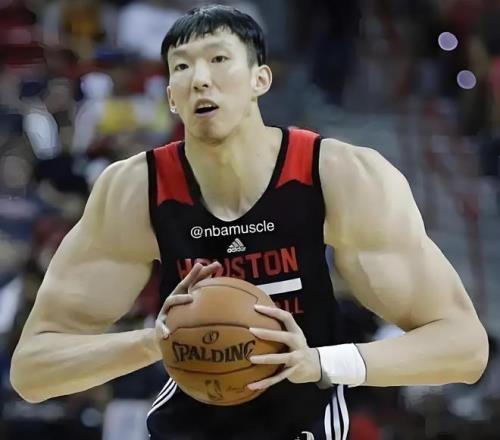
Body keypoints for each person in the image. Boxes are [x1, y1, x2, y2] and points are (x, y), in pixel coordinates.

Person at [10, 5, 488, 440]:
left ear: (261, 79)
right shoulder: (134, 191)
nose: (200, 79)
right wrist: (152, 343)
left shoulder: (340, 175)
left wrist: (321, 362)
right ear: (171, 97)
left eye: (219, 59)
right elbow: (32, 371)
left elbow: (464, 348)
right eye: (182, 67)